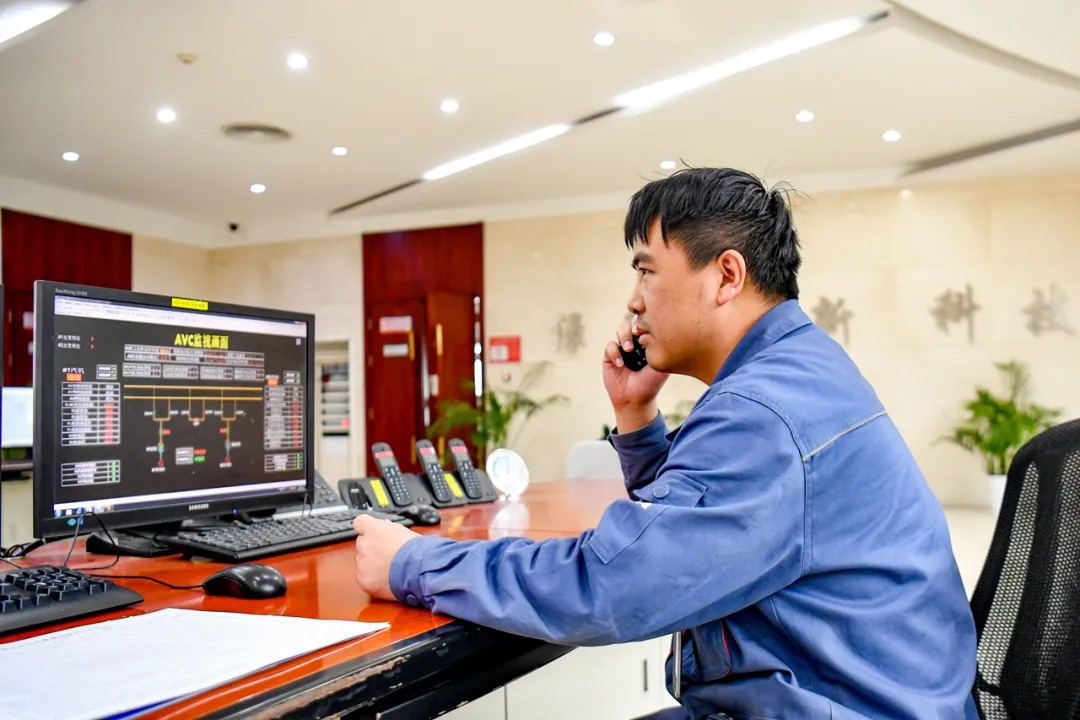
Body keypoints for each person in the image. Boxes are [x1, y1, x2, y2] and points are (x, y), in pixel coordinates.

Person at [352, 167, 978, 720]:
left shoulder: (761, 411)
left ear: (726, 275)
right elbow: (685, 532)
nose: (633, 300)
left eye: (647, 270)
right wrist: (636, 413)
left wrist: (413, 562)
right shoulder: (800, 369)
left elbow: (612, 586)